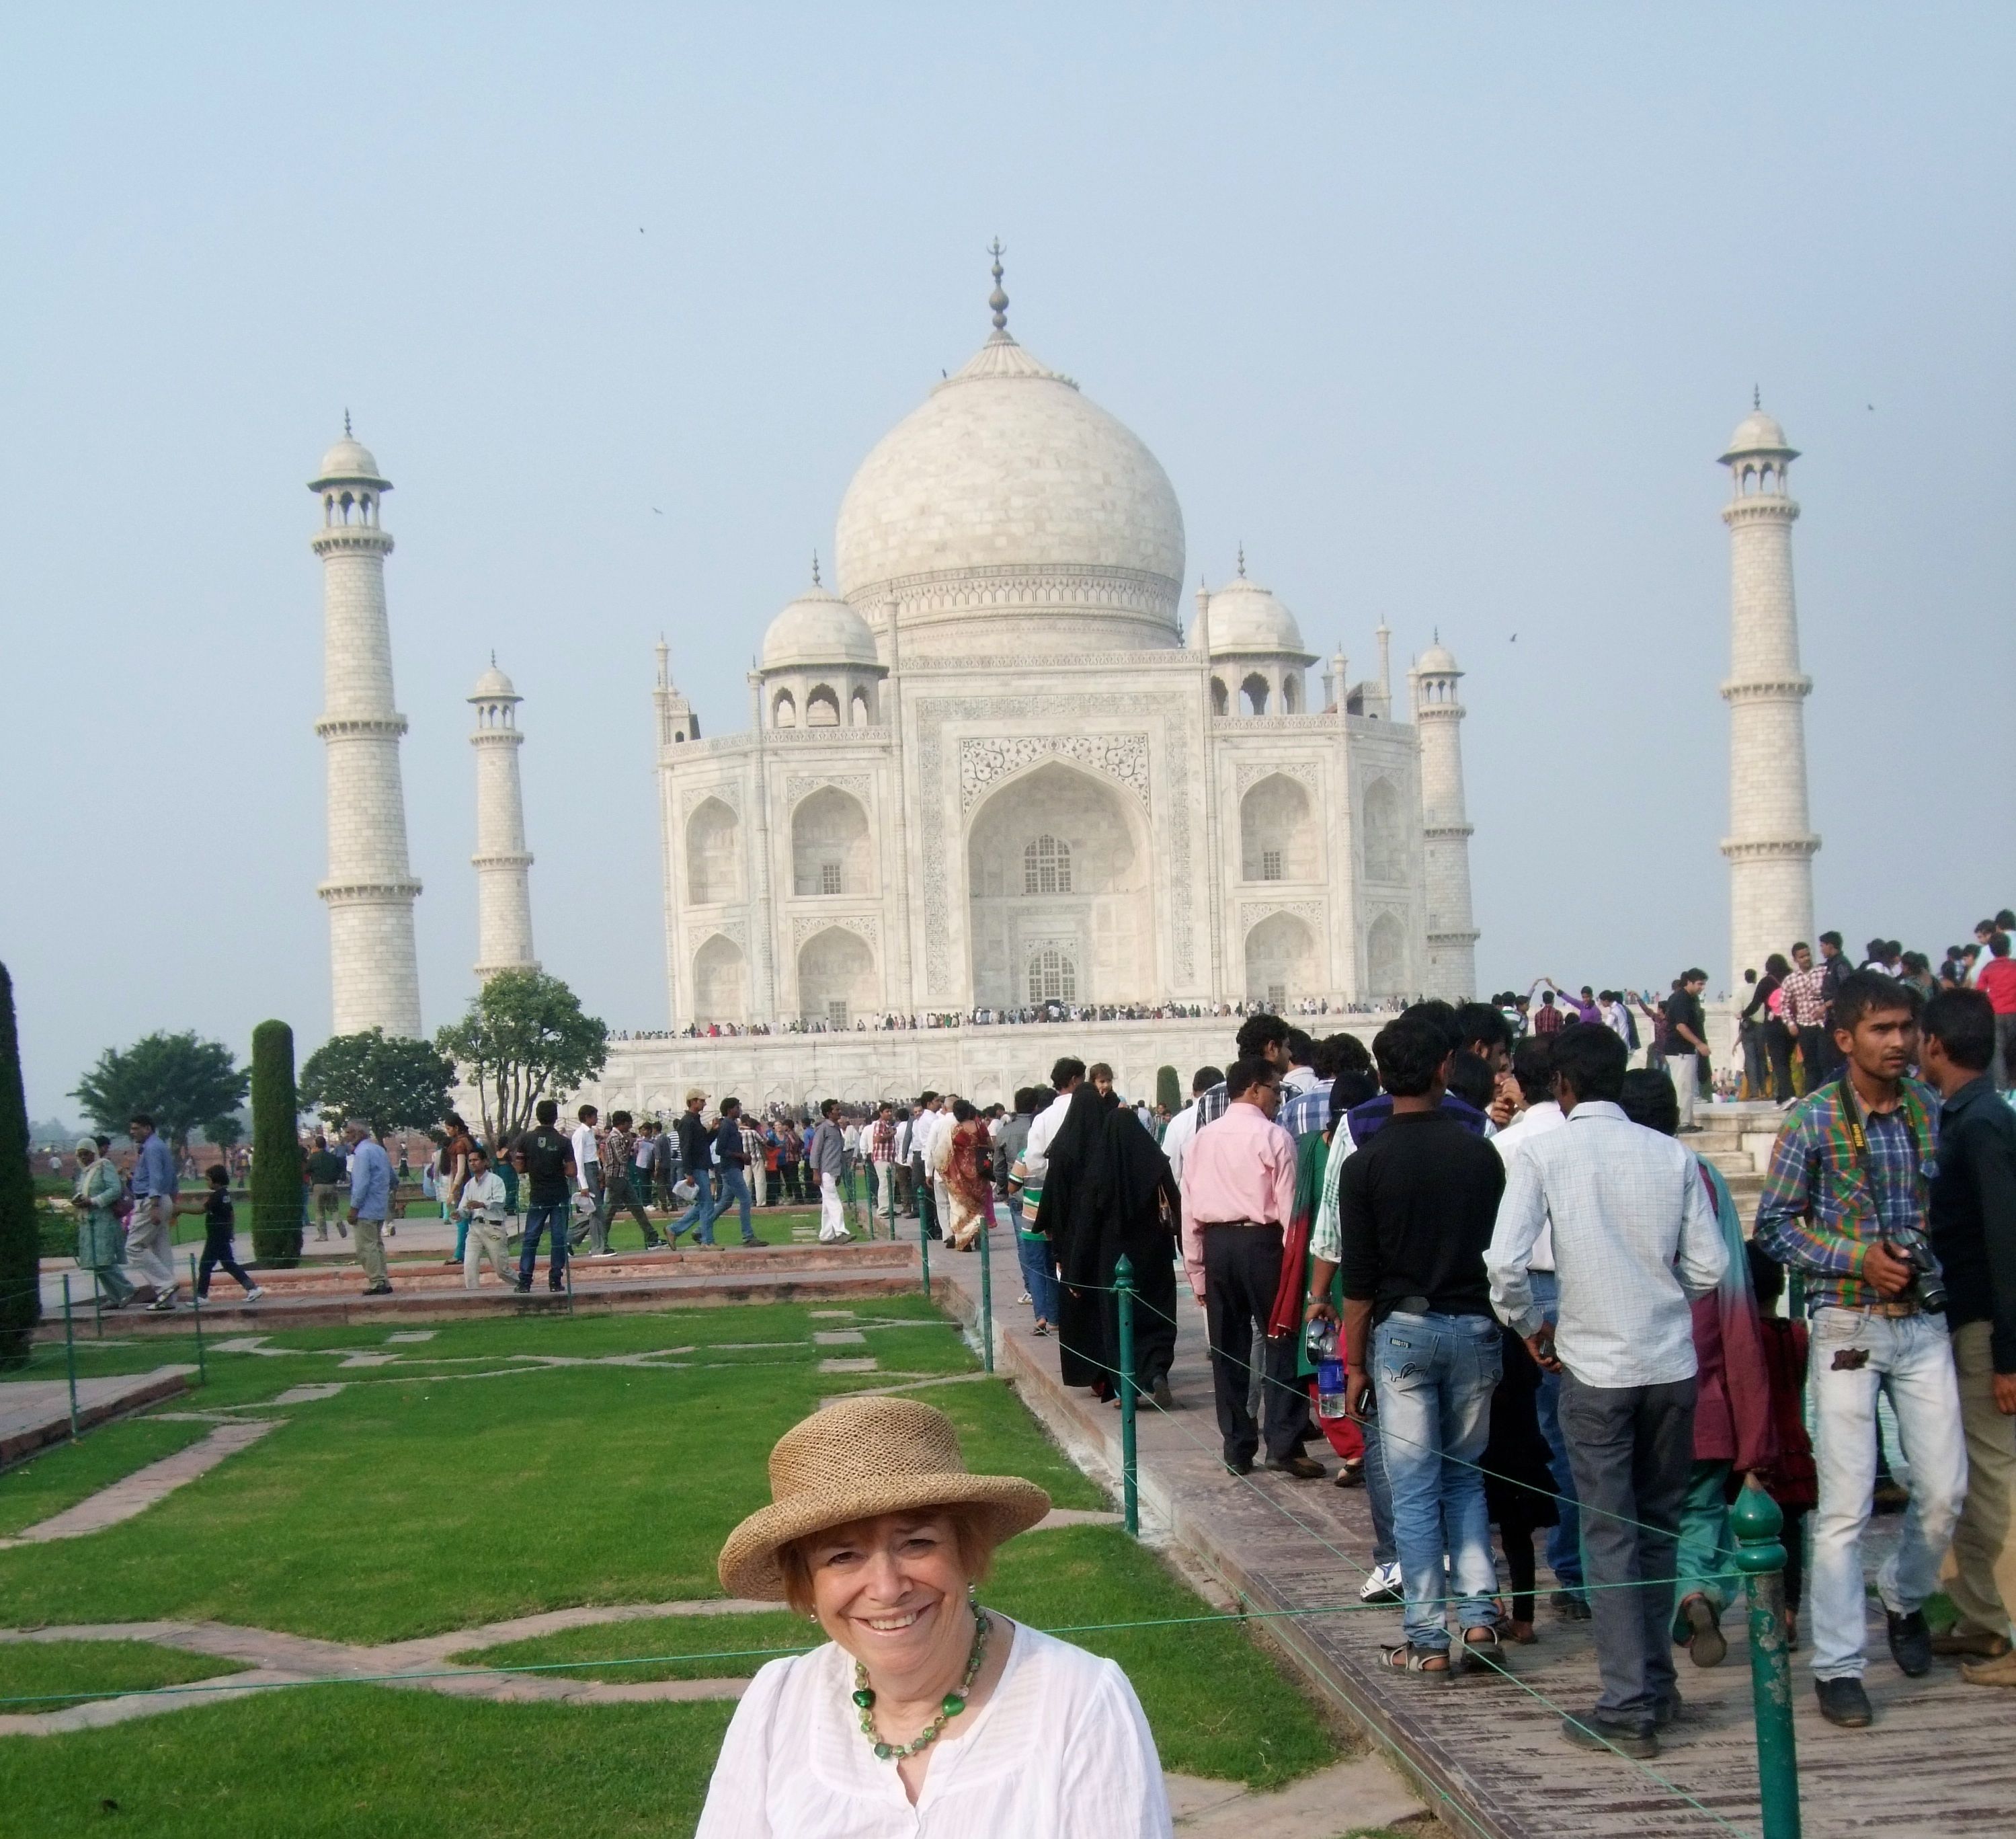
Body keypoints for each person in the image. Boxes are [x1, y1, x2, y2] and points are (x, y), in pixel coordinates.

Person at [698, 1395, 1172, 1837]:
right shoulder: (777, 1703)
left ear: (967, 1550)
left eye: (917, 1542)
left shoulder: (1080, 1701)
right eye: (842, 1556)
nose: (886, 1588)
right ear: (806, 1583)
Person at [1486, 1023, 1726, 1758]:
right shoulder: (1671, 1153)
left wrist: (1534, 1327)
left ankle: (1626, 1701)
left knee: (1609, 1534)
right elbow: (1709, 1268)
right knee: (1654, 1526)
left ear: (1560, 1087)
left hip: (1591, 1365)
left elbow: (1503, 1264)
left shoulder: (1543, 1149)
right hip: (1666, 1363)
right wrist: (1654, 1296)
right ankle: (1655, 1684)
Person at [1752, 970, 1965, 1729]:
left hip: (1917, 1321)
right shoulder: (1810, 1121)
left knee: (1942, 1490)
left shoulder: (1925, 1110)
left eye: (1905, 1027)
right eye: (1881, 1029)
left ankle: (1902, 1593)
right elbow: (1773, 1228)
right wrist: (1854, 1256)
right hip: (1844, 1322)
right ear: (1843, 1038)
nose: (1899, 1041)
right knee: (1843, 1506)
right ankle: (1838, 1663)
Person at [1336, 1010, 1508, 1673]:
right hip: (1472, 1326)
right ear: (1443, 1068)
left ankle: (1428, 1640)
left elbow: (1359, 1279)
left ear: (1382, 1075)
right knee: (1464, 1477)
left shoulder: (1367, 1163)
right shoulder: (1479, 1152)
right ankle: (1481, 1620)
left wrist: (1352, 1363)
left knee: (1412, 1488)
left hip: (1401, 1334)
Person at [1615, 1068, 1774, 1670]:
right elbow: (1729, 1288)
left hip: (1625, 1368)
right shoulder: (1701, 1176)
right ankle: (1697, 1591)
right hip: (1701, 1375)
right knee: (1700, 1506)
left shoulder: (1610, 1173)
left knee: (1636, 1514)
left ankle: (1656, 1624)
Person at [1918, 988, 2016, 1681]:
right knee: (1956, 1476)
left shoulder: (1978, 1124)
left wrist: (2008, 1354)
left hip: (1984, 1327)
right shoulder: (1966, 1115)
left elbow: (2004, 1242)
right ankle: (1978, 1616)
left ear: (1933, 1045)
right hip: (1964, 1322)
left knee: (1994, 1481)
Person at [1488, 1035, 1586, 1618]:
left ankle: (1562, 1572)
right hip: (1586, 1286)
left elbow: (1497, 1249)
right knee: (1593, 1435)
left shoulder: (1507, 1145)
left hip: (1526, 1295)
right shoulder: (1590, 1139)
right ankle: (1588, 1573)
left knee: (1546, 1438)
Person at [1180, 1057, 1316, 1478]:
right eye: (1275, 1089)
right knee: (1280, 1339)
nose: (1278, 1097)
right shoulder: (1273, 1136)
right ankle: (1283, 1442)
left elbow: (1189, 1211)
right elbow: (1291, 1210)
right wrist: (1298, 1270)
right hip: (1263, 1245)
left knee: (1227, 1349)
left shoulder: (1203, 1139)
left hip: (1218, 1245)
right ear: (1255, 1089)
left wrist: (1197, 1271)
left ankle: (1237, 1447)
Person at [1039, 1084, 1182, 1411]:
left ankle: (1128, 1387)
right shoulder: (1155, 1164)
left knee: (1119, 1323)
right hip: (1155, 1257)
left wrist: (1075, 1273)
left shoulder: (1101, 1170)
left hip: (1113, 1260)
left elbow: (1087, 1223)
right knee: (1156, 1315)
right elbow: (1175, 1206)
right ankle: (1157, 1371)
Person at [1745, 1242, 1817, 1647]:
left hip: (1757, 1445)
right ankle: (1788, 1615)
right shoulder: (1797, 1334)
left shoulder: (1745, 1338)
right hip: (1793, 1442)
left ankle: (1758, 1611)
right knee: (1790, 1534)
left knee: (1749, 1533)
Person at [999, 1089, 1055, 1336]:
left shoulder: (1026, 1156)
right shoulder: (1056, 1156)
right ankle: (1055, 1317)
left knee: (1035, 1268)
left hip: (1031, 1220)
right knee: (1053, 1268)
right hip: (1053, 1221)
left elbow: (1012, 1186)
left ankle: (1041, 1316)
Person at [514, 1098, 576, 1292]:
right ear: (555, 1117)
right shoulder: (563, 1142)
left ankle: (525, 1280)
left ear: (538, 1116)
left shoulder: (526, 1140)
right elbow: (571, 1171)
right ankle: (555, 1280)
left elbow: (520, 1167)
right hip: (558, 1194)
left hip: (538, 1194)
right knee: (558, 1238)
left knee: (531, 1237)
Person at [181, 1162, 262, 1302]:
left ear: (216, 1180)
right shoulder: (225, 1195)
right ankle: (252, 1288)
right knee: (229, 1264)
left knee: (205, 1265)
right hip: (223, 1235)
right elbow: (231, 1214)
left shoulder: (217, 1196)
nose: (206, 1182)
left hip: (216, 1237)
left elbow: (201, 1210)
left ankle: (202, 1296)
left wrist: (180, 1209)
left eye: (208, 1179)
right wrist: (231, 1232)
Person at [70, 1137, 136, 1309]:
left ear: (94, 1153)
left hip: (104, 1219)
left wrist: (93, 1201)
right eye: (81, 1155)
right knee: (95, 1262)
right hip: (88, 1221)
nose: (84, 1158)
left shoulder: (103, 1166)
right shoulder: (84, 1172)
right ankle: (114, 1297)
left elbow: (114, 1190)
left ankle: (126, 1289)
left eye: (87, 1154)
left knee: (104, 1260)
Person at [126, 1113, 182, 1310]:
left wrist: (155, 1206)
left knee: (133, 1247)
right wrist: (171, 1203)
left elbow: (156, 1178)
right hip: (163, 1199)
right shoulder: (160, 1147)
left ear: (148, 1128)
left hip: (151, 1202)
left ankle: (166, 1285)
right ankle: (168, 1300)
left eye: (136, 1128)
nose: (132, 1132)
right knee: (161, 1249)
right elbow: (173, 1178)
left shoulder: (151, 1148)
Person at [599, 1111, 666, 1253]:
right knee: (608, 1213)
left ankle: (651, 1238)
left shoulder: (618, 1137)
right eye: (629, 1124)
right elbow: (622, 1158)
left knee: (637, 1208)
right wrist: (629, 1144)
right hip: (615, 1178)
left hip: (622, 1177)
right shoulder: (615, 1138)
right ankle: (599, 1244)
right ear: (622, 1124)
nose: (630, 1128)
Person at [344, 1118, 395, 1295]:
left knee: (366, 1247)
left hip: (366, 1207)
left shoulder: (362, 1153)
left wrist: (354, 1208)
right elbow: (393, 1178)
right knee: (376, 1245)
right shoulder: (378, 1150)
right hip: (379, 1205)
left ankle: (377, 1282)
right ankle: (383, 1279)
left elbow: (361, 1184)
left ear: (359, 1134)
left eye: (349, 1132)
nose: (347, 1136)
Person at [453, 1145, 513, 1288]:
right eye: (470, 1161)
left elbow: (500, 1201)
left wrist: (482, 1204)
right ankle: (474, 1296)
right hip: (475, 1228)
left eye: (476, 1160)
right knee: (469, 1266)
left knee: (501, 1270)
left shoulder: (495, 1180)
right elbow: (465, 1208)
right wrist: (459, 1213)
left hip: (493, 1227)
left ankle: (523, 1285)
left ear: (485, 1162)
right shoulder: (469, 1185)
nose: (473, 1163)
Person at [1779, 942, 1832, 1099]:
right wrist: (1790, 1023)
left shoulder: (1823, 972)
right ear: (1795, 959)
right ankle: (1812, 1097)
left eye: (1808, 955)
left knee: (1825, 1061)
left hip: (1824, 1024)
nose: (1806, 959)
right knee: (1810, 1064)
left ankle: (1829, 1096)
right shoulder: (1790, 980)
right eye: (1802, 957)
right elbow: (1784, 1004)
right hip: (1804, 1026)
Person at [940, 1099, 993, 1251]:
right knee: (979, 1208)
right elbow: (990, 1146)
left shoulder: (955, 1130)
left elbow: (941, 1153)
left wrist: (943, 1169)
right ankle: (980, 1237)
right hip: (980, 1174)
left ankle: (964, 1242)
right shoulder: (980, 1127)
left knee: (960, 1207)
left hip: (960, 1175)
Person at [1156, 1066, 1221, 1185]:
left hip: (1193, 1198)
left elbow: (1171, 1171)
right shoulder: (1237, 1118)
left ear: (1194, 1092)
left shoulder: (1179, 1122)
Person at [1662, 969, 1710, 1131]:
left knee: (1688, 1087)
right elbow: (1681, 1026)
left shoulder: (1690, 999)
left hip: (1685, 1051)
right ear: (1689, 982)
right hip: (1679, 1050)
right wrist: (1699, 1044)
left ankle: (1687, 1121)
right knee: (1682, 1087)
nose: (1702, 988)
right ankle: (1682, 1123)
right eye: (1699, 984)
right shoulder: (1681, 999)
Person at [670, 1090, 718, 1245]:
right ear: (693, 1101)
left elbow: (703, 1144)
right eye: (702, 1101)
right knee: (707, 1205)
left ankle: (674, 1229)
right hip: (696, 1168)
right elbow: (686, 1148)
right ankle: (707, 1241)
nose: (704, 1104)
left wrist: (714, 1130)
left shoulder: (695, 1121)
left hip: (700, 1166)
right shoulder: (687, 1122)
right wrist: (688, 1172)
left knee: (704, 1205)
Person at [715, 1097, 759, 1246]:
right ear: (729, 1110)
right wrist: (740, 1155)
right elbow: (720, 1150)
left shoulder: (732, 1125)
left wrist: (742, 1157)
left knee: (725, 1203)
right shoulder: (726, 1126)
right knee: (746, 1199)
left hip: (733, 1167)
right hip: (730, 1168)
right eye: (737, 1108)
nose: (739, 1110)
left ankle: (701, 1229)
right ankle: (748, 1236)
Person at [1976, 931, 2016, 1095]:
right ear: (2008, 948)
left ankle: (2002, 1087)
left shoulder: (1988, 969)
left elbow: (1979, 991)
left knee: (1998, 1051)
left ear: (1991, 951)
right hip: (2015, 1012)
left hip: (1996, 1013)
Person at [807, 1099, 852, 1244]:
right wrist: (815, 1172)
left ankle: (826, 1235)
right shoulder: (823, 1128)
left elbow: (837, 1152)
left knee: (828, 1204)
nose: (839, 1112)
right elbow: (815, 1151)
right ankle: (841, 1231)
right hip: (825, 1171)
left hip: (833, 1171)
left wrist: (839, 1173)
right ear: (828, 1113)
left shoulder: (836, 1129)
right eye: (836, 1110)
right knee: (834, 1201)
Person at [570, 1105, 607, 1254]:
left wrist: (599, 1169)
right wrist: (583, 1184)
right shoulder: (580, 1134)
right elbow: (578, 1160)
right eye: (594, 1116)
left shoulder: (590, 1133)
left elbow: (593, 1153)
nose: (596, 1119)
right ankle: (598, 1247)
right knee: (596, 1210)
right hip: (585, 1171)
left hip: (592, 1168)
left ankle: (569, 1238)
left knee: (594, 1210)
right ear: (587, 1117)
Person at [305, 1132, 348, 1241]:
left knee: (320, 1211)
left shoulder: (313, 1158)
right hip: (332, 1185)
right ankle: (338, 1222)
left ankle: (323, 1235)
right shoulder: (332, 1157)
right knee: (334, 1209)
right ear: (325, 1145)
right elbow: (340, 1169)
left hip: (318, 1186)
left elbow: (307, 1170)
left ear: (316, 1145)